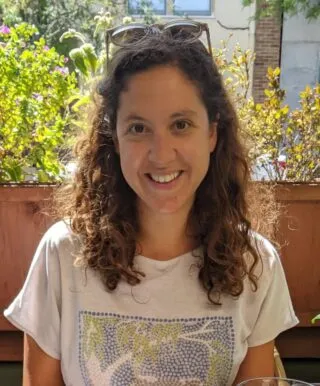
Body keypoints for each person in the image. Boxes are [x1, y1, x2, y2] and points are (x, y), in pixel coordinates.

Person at [4, 20, 299, 386]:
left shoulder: (256, 264)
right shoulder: (62, 255)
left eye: (181, 125)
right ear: (114, 138)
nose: (161, 155)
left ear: (212, 133)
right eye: (139, 128)